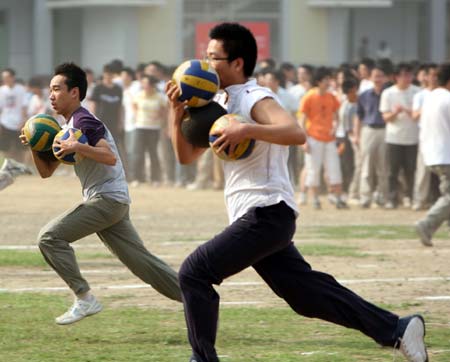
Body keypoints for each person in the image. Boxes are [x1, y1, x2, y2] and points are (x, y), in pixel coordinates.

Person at [165, 22, 427, 362]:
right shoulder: (218, 103)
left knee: (194, 272)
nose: (205, 62)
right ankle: (397, 328)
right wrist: (177, 114)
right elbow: (186, 157)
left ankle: (202, 359)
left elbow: (295, 132)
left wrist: (246, 127)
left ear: (237, 63)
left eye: (213, 57)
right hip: (258, 215)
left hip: (267, 212)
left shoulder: (255, 97)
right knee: (304, 297)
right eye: (206, 55)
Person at [20, 62, 181, 325]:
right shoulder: (68, 126)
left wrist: (78, 146)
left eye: (57, 89)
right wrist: (36, 147)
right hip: (112, 202)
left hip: (106, 200)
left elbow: (108, 157)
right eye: (49, 89)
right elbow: (47, 171)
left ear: (75, 92)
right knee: (143, 264)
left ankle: (85, 298)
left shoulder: (84, 121)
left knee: (49, 237)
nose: (51, 95)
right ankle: (196, 296)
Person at [298, 66, 347, 209]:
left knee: (334, 168)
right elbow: (302, 119)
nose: (329, 82)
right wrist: (304, 140)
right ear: (318, 81)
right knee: (313, 169)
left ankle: (337, 198)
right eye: (326, 80)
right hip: (313, 138)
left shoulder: (331, 96)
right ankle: (316, 199)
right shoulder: (309, 96)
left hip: (329, 139)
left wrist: (335, 126)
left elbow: (337, 115)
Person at [415, 63, 450, 246]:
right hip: (446, 154)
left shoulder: (430, 97)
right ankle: (427, 224)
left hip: (432, 153)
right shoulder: (447, 99)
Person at [380, 62, 421, 209]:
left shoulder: (417, 92)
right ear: (396, 77)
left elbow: (419, 115)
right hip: (394, 137)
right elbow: (385, 117)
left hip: (412, 137)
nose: (406, 78)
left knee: (411, 170)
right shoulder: (388, 93)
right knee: (392, 171)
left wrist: (407, 110)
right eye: (403, 75)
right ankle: (391, 198)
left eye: (409, 75)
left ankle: (409, 196)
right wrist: (396, 112)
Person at [354, 65, 388, 208]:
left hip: (385, 130)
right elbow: (358, 116)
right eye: (375, 76)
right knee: (366, 165)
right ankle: (365, 196)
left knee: (383, 165)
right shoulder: (364, 95)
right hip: (368, 130)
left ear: (385, 78)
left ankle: (382, 196)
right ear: (371, 77)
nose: (378, 79)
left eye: (380, 76)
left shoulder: (388, 93)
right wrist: (356, 134)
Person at [0, 68, 28, 162]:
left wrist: (23, 121)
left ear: (13, 77)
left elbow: (24, 106)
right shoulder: (2, 90)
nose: (5, 79)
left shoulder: (21, 89)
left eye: (7, 77)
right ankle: (7, 166)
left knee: (21, 147)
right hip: (5, 122)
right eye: (3, 77)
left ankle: (21, 166)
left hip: (18, 123)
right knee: (5, 147)